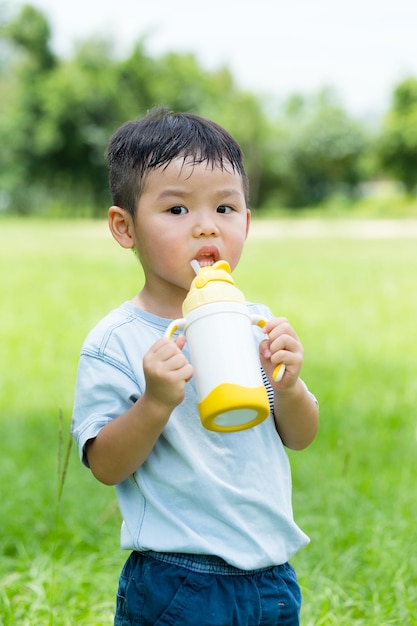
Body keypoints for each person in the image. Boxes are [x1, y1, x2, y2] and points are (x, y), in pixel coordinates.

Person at [72, 106, 319, 626]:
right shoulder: (116, 342)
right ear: (125, 227)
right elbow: (105, 464)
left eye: (226, 208)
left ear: (247, 222)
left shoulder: (256, 323)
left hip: (271, 575)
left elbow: (300, 434)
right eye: (178, 210)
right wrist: (156, 401)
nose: (206, 226)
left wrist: (290, 386)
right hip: (177, 580)